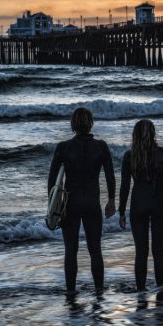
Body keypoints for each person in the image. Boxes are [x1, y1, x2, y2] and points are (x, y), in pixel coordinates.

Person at [48, 107, 116, 298]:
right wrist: (111, 200)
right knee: (95, 249)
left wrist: (52, 208)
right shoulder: (101, 146)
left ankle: (70, 291)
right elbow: (110, 175)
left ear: (72, 125)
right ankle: (99, 290)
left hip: (71, 203)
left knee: (71, 249)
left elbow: (53, 181)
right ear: (91, 123)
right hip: (92, 202)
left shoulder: (63, 147)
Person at [119, 119, 163, 292]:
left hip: (138, 205)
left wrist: (121, 211)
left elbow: (124, 186)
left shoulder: (129, 156)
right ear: (153, 134)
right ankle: (161, 291)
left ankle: (141, 292)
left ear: (134, 135)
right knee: (158, 251)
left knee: (141, 251)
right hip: (160, 204)